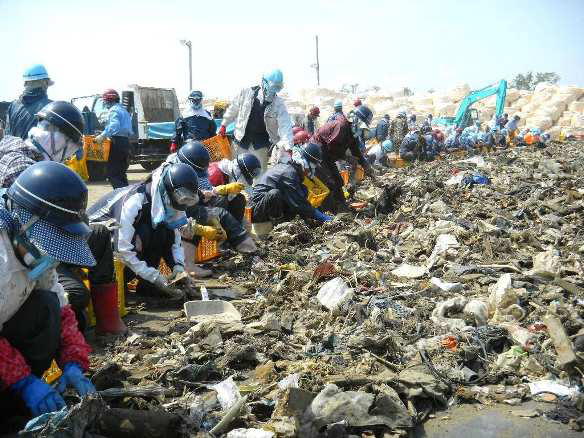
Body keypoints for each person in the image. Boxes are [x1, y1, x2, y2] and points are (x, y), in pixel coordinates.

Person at [0, 101, 126, 336]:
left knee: (98, 234)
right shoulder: (21, 166)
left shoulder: (38, 161)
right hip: (28, 247)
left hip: (43, 236)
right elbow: (29, 228)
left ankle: (109, 320)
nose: (70, 155)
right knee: (75, 296)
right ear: (56, 138)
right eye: (70, 147)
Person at [0, 162, 96, 431]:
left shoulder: (34, 253)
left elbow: (61, 307)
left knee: (47, 307)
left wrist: (74, 361)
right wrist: (22, 381)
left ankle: (15, 402)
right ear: (23, 222)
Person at [88, 163, 199, 297]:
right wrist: (155, 277)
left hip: (120, 249)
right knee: (142, 236)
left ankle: (147, 286)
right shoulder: (133, 202)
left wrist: (179, 268)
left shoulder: (163, 204)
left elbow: (173, 239)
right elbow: (122, 249)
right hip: (95, 249)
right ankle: (117, 287)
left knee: (162, 231)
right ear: (167, 190)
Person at [164, 141, 256, 253]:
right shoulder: (171, 177)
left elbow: (203, 192)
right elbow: (171, 213)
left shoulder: (194, 171)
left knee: (234, 201)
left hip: (193, 204)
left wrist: (219, 190)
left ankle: (230, 242)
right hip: (177, 217)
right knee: (216, 211)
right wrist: (200, 229)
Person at [218, 69, 294, 178]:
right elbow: (233, 109)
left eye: (277, 88)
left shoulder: (279, 104)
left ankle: (258, 194)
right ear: (264, 82)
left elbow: (285, 125)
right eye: (273, 87)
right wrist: (224, 124)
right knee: (237, 171)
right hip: (241, 140)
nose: (274, 91)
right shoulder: (246, 93)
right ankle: (237, 194)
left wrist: (288, 147)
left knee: (260, 173)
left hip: (261, 142)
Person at [310, 105, 375, 212]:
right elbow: (331, 146)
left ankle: (342, 205)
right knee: (330, 183)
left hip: (328, 155)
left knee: (339, 181)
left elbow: (356, 151)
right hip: (318, 154)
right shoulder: (341, 126)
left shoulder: (351, 132)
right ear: (356, 121)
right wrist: (346, 157)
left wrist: (366, 166)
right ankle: (331, 212)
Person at [250, 143, 332, 224]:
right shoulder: (289, 173)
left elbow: (300, 199)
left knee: (303, 190)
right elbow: (298, 203)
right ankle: (278, 225)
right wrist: (321, 217)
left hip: (271, 205)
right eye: (313, 167)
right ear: (306, 164)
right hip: (258, 209)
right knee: (276, 194)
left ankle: (292, 220)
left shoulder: (293, 169)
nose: (313, 171)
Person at [95, 89, 133, 189]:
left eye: (104, 101)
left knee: (113, 173)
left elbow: (114, 126)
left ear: (108, 100)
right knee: (121, 173)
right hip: (125, 142)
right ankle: (126, 196)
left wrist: (103, 135)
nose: (104, 103)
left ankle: (119, 197)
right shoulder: (124, 110)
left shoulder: (113, 110)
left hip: (117, 143)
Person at [5, 64, 53, 140]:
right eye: (47, 83)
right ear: (44, 82)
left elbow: (7, 137)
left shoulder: (12, 106)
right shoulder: (51, 107)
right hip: (35, 152)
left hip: (12, 151)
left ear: (25, 83)